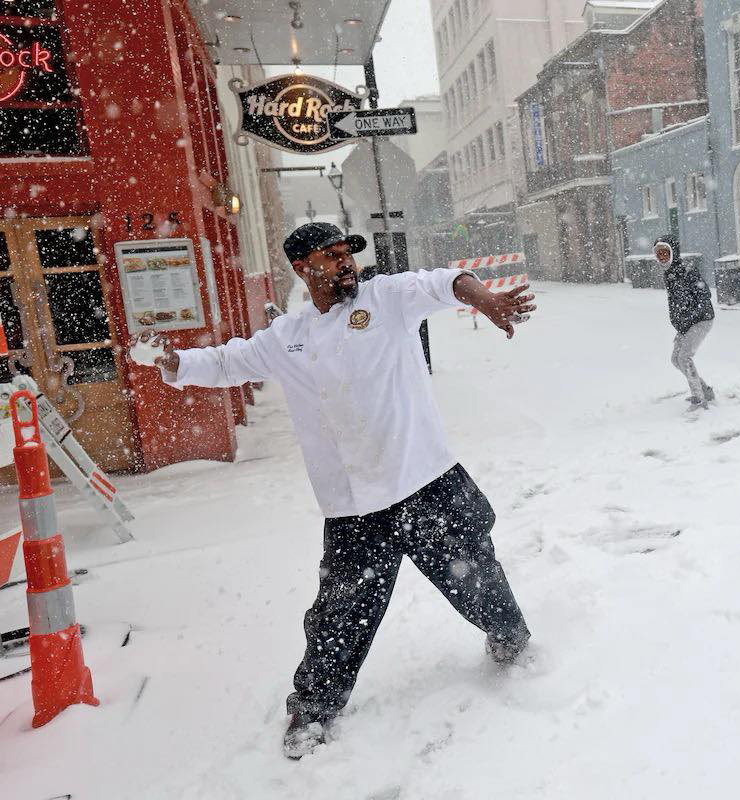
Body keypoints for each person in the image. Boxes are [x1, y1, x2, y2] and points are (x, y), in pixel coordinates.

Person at [140, 222, 536, 759]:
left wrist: (485, 300)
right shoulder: (288, 337)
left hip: (426, 481)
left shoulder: (387, 298)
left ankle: (510, 638)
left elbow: (448, 282)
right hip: (353, 505)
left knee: (476, 574)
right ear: (303, 270)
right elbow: (229, 361)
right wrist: (175, 364)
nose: (344, 262)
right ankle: (314, 708)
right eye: (328, 257)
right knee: (340, 614)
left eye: (346, 253)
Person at [655, 234, 715, 407]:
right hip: (685, 325)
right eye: (659, 254)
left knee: (684, 358)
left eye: (666, 253)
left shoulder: (687, 272)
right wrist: (680, 321)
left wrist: (690, 316)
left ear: (673, 252)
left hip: (701, 320)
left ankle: (699, 398)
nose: (662, 257)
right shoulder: (669, 274)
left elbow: (705, 296)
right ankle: (705, 391)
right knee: (675, 359)